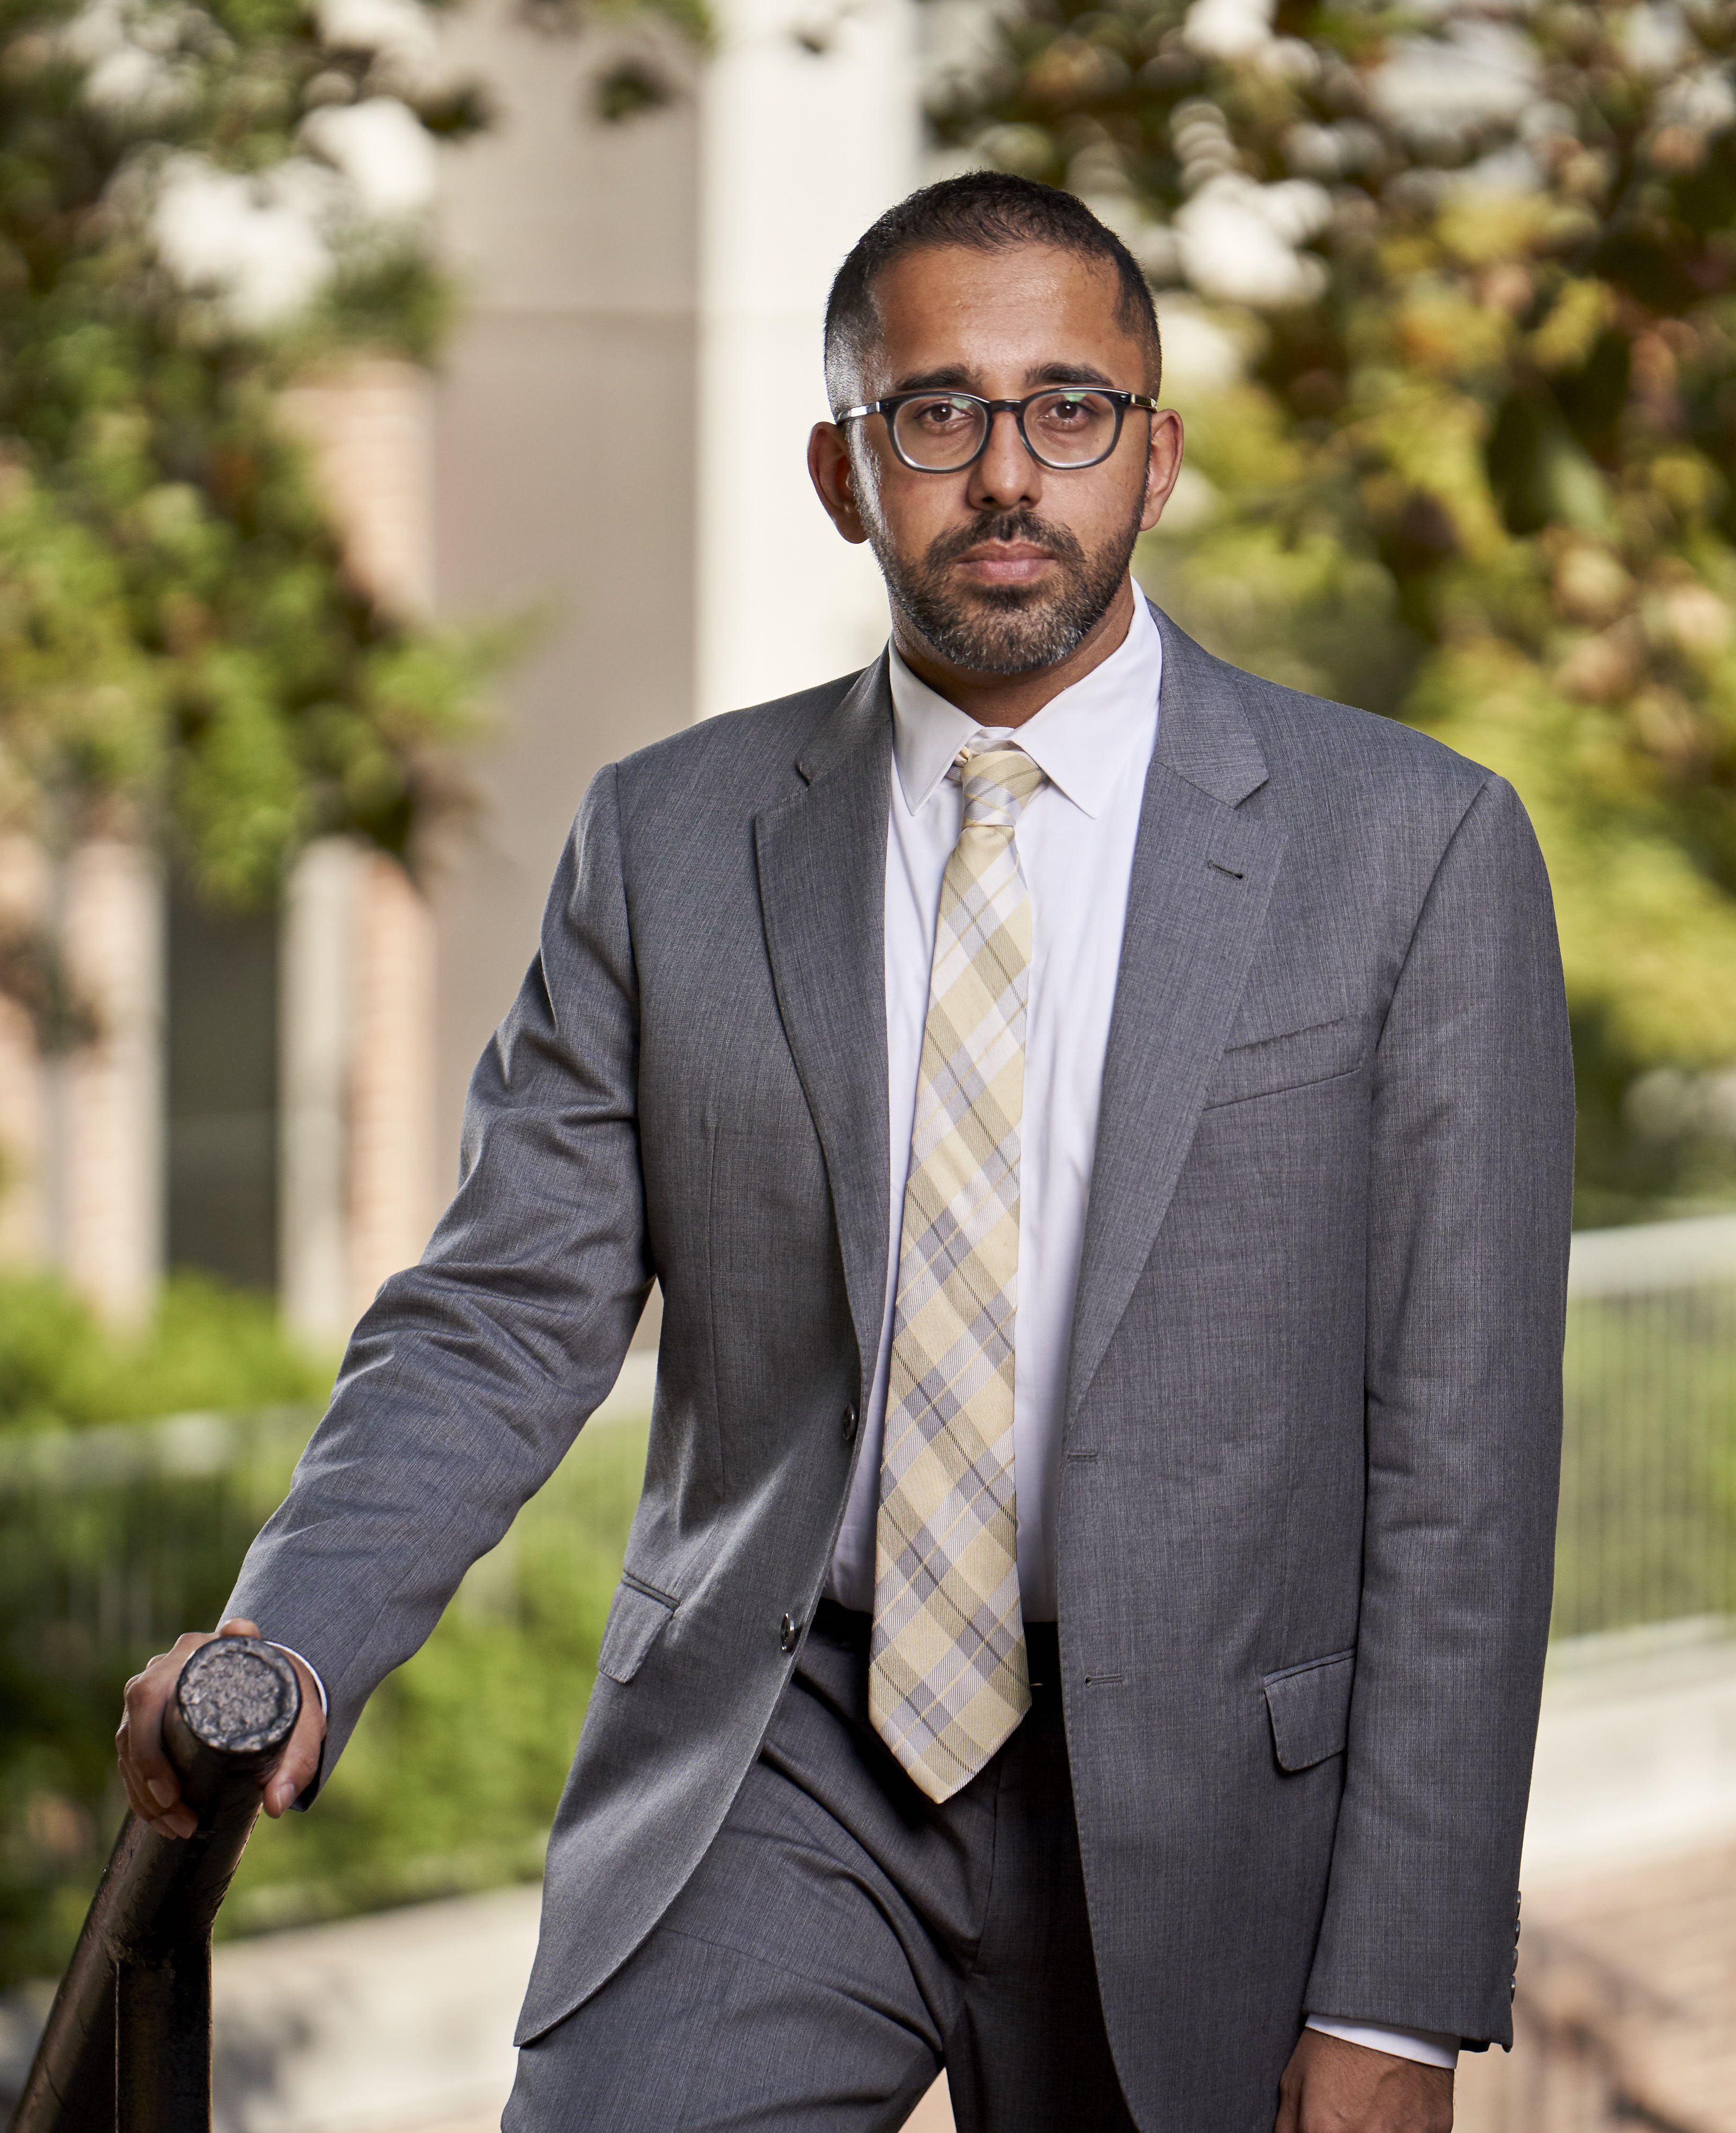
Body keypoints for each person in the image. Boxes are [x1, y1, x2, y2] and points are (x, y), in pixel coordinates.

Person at [118, 172, 1572, 2133]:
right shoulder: (670, 841)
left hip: (1216, 1800)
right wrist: (283, 1630)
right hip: (784, 1748)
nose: (1003, 473)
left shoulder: (1412, 848)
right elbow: (498, 1311)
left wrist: (1398, 1995)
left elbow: (1465, 1475)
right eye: (935, 413)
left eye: (1067, 410)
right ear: (840, 467)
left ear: (1155, 461)